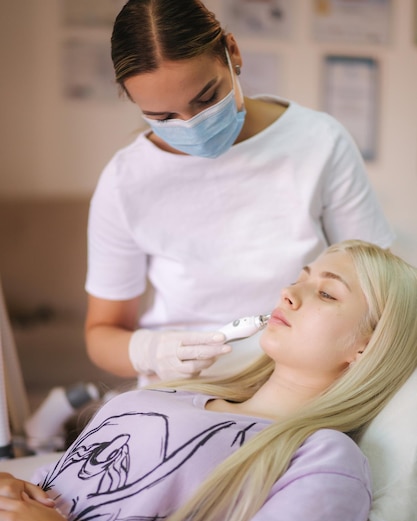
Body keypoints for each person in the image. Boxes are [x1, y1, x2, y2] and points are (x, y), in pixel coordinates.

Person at [1, 240, 416, 521]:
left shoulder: (321, 455)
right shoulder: (179, 393)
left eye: (327, 293)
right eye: (299, 279)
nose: (288, 294)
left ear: (366, 346)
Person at [84, 0, 394, 384]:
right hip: (183, 389)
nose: (192, 126)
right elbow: (102, 334)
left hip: (298, 383)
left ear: (232, 52)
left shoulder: (318, 142)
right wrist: (150, 351)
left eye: (207, 98)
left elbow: (381, 293)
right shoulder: (124, 181)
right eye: (164, 117)